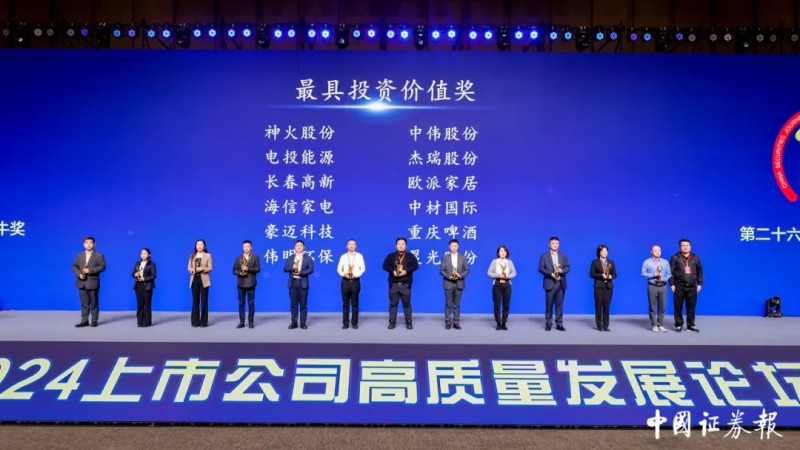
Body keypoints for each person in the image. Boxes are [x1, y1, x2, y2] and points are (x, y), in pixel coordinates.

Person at [382, 237, 419, 330]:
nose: (401, 246)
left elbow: (416, 265)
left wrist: (406, 271)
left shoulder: (410, 256)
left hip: (405, 285)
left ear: (406, 246)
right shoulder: (391, 256)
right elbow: (384, 266)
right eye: (399, 244)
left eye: (403, 244)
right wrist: (393, 271)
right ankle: (392, 322)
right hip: (394, 285)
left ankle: (409, 322)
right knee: (393, 304)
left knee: (407, 304)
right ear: (395, 245)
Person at [669, 238, 703, 332]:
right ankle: (678, 324)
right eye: (683, 245)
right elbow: (670, 272)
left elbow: (700, 272)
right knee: (678, 307)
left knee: (691, 307)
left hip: (692, 286)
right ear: (680, 247)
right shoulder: (675, 257)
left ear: (690, 246)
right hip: (679, 286)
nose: (685, 247)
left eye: (687, 245)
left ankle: (690, 325)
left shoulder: (696, 257)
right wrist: (672, 284)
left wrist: (699, 284)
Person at [71, 236, 106, 327]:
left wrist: (90, 270)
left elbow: (103, 267)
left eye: (90, 242)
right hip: (81, 282)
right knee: (84, 304)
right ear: (83, 244)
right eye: (86, 242)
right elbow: (74, 266)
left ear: (94, 244)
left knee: (94, 303)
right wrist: (79, 274)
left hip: (93, 282)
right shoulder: (79, 255)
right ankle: (84, 321)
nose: (88, 244)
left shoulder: (99, 255)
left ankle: (94, 321)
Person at [538, 236, 570, 331]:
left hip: (561, 283)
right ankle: (548, 323)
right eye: (553, 243)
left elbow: (568, 267)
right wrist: (550, 274)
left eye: (557, 243)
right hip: (550, 283)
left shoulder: (563, 256)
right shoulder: (544, 256)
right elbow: (540, 268)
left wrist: (562, 270)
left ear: (559, 245)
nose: (555, 245)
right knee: (549, 305)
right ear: (549, 244)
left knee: (559, 305)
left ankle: (559, 324)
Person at [439, 239, 470, 330]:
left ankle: (456, 322)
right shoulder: (445, 257)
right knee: (448, 304)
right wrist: (449, 276)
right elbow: (441, 270)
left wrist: (460, 275)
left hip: (459, 283)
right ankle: (448, 322)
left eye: (455, 246)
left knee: (457, 304)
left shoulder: (462, 257)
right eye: (452, 246)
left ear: (458, 246)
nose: (454, 248)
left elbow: (467, 270)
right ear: (449, 247)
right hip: (448, 283)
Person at [283, 239, 314, 329]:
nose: (299, 247)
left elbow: (311, 269)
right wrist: (292, 267)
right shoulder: (290, 257)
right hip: (293, 283)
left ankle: (303, 323)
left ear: (304, 247)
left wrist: (301, 272)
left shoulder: (308, 258)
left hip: (303, 283)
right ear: (294, 247)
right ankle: (294, 322)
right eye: (297, 245)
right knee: (293, 304)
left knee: (303, 305)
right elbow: (285, 268)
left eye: (301, 245)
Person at [641, 245, 672, 333]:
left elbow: (669, 274)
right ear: (651, 252)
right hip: (652, 286)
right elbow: (643, 274)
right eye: (655, 250)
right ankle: (654, 325)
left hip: (663, 286)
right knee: (652, 306)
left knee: (662, 307)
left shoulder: (665, 262)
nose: (658, 252)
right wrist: (653, 275)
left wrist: (663, 279)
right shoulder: (647, 262)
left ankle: (660, 324)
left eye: (659, 250)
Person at [336, 239, 366, 329]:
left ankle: (354, 323)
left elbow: (363, 268)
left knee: (355, 304)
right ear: (346, 246)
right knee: (345, 304)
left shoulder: (359, 256)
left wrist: (357, 275)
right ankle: (345, 323)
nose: (351, 246)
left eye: (353, 244)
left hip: (355, 281)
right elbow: (339, 268)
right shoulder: (343, 256)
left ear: (356, 246)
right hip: (345, 281)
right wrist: (343, 274)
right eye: (349, 244)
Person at [487, 245, 517, 330]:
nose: (503, 253)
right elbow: (489, 272)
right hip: (497, 283)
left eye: (504, 251)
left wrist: (507, 276)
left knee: (506, 304)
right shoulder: (494, 262)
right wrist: (498, 275)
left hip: (507, 284)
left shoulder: (509, 262)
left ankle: (504, 323)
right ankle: (498, 323)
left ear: (506, 253)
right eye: (501, 251)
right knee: (497, 304)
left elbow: (514, 273)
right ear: (498, 253)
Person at [233, 240, 260, 329]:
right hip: (241, 283)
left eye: (248, 246)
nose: (246, 248)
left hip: (251, 283)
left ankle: (251, 321)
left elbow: (258, 269)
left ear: (251, 247)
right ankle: (242, 322)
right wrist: (239, 273)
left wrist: (248, 269)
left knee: (251, 303)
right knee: (241, 303)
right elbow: (234, 270)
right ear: (242, 247)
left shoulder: (255, 257)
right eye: (244, 246)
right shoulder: (238, 258)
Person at [589, 244, 617, 332]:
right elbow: (591, 274)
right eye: (603, 251)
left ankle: (606, 325)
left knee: (607, 306)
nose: (605, 252)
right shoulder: (595, 262)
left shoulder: (611, 262)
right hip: (599, 286)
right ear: (599, 252)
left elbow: (615, 274)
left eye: (606, 251)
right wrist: (601, 275)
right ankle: (599, 325)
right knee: (598, 306)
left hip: (609, 287)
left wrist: (610, 276)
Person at [188, 239, 212, 327]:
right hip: (194, 279)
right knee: (195, 300)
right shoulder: (192, 255)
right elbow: (189, 267)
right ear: (195, 246)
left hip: (204, 279)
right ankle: (195, 321)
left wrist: (203, 269)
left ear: (204, 246)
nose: (199, 246)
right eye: (197, 244)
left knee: (204, 300)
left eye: (201, 244)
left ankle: (204, 322)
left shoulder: (208, 255)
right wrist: (192, 270)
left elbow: (210, 267)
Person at [132, 248, 157, 327]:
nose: (143, 255)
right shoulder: (137, 263)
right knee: (140, 304)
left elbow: (154, 275)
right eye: (141, 253)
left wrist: (145, 279)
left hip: (147, 286)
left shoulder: (152, 264)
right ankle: (140, 321)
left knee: (147, 304)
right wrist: (135, 275)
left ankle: (147, 322)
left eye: (145, 253)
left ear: (149, 255)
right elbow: (133, 273)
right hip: (138, 285)